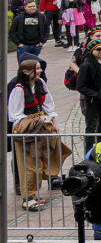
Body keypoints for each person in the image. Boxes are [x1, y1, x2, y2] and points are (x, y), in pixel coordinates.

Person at [8, 59, 69, 212]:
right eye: (37, 68)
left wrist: (53, 121)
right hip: (28, 131)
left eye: (40, 68)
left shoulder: (40, 83)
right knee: (29, 164)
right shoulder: (19, 89)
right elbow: (15, 115)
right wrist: (36, 120)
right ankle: (27, 198)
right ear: (26, 71)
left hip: (42, 126)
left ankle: (34, 194)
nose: (40, 71)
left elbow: (49, 105)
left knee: (42, 160)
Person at [76, 38, 101, 152]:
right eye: (98, 49)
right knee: (91, 128)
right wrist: (95, 95)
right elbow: (81, 86)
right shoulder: (86, 65)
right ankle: (88, 152)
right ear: (92, 50)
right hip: (93, 102)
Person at [10, 0, 49, 64]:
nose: (32, 8)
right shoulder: (18, 18)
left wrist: (42, 42)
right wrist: (19, 43)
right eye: (30, 7)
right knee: (23, 66)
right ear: (25, 7)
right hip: (23, 46)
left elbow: (46, 29)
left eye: (34, 6)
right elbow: (12, 32)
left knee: (34, 66)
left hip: (36, 46)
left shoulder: (41, 17)